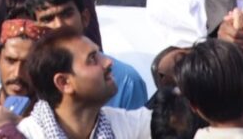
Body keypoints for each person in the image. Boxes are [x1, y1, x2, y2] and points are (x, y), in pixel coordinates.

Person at [18, 29, 150, 139]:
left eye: (99, 54)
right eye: (92, 58)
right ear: (64, 83)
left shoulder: (123, 126)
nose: (108, 62)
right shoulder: (26, 135)